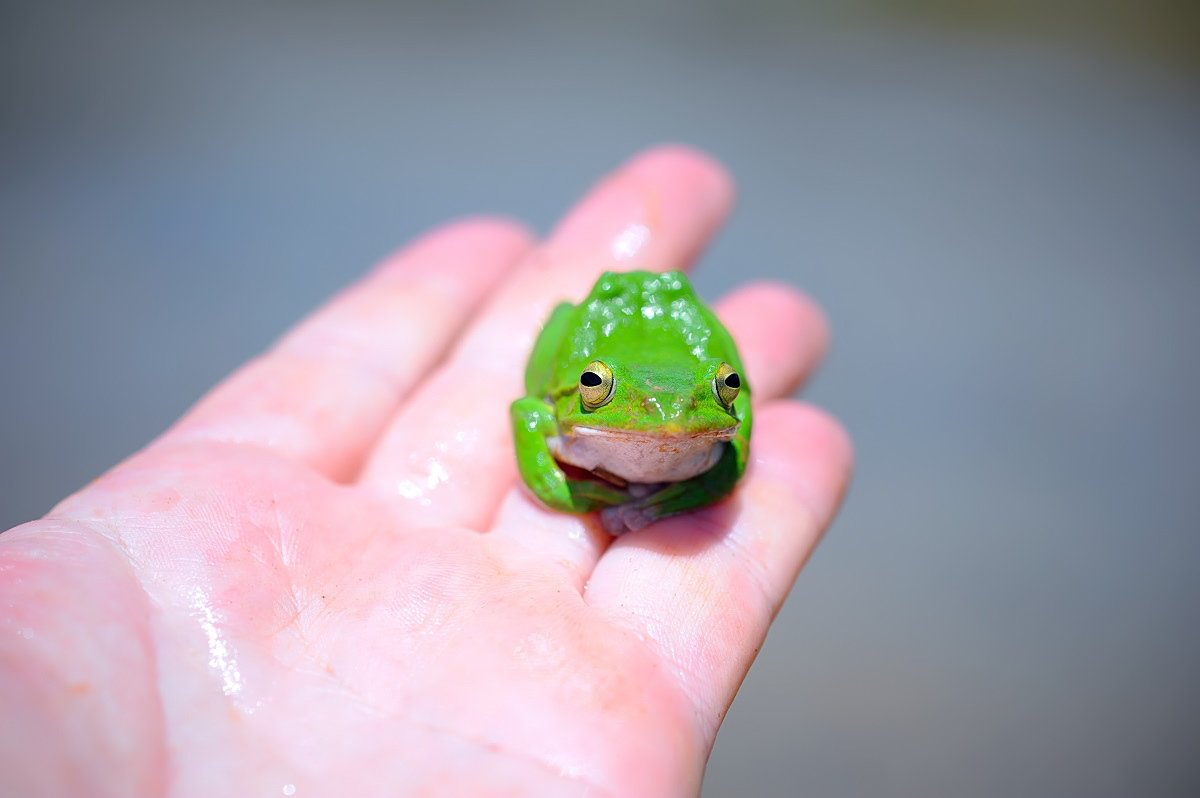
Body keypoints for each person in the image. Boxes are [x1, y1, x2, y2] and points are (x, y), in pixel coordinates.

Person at [0, 146, 852, 796]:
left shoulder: (711, 428)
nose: (673, 426)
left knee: (709, 397)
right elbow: (529, 413)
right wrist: (573, 482)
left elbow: (732, 451)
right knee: (583, 360)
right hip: (599, 365)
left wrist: (696, 471)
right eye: (594, 392)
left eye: (719, 399)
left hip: (678, 345)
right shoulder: (569, 416)